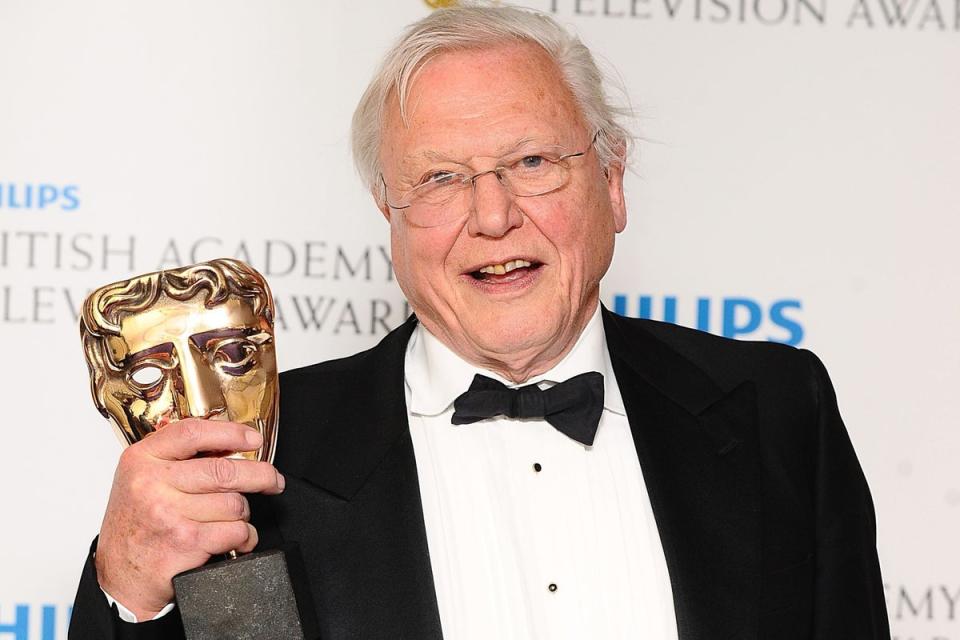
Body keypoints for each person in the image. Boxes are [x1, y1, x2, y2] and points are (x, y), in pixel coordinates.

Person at [69, 5, 890, 639]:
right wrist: (129, 592)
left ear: (612, 184)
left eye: (532, 162)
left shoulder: (777, 407)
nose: (492, 216)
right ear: (387, 212)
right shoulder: (261, 456)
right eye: (439, 178)